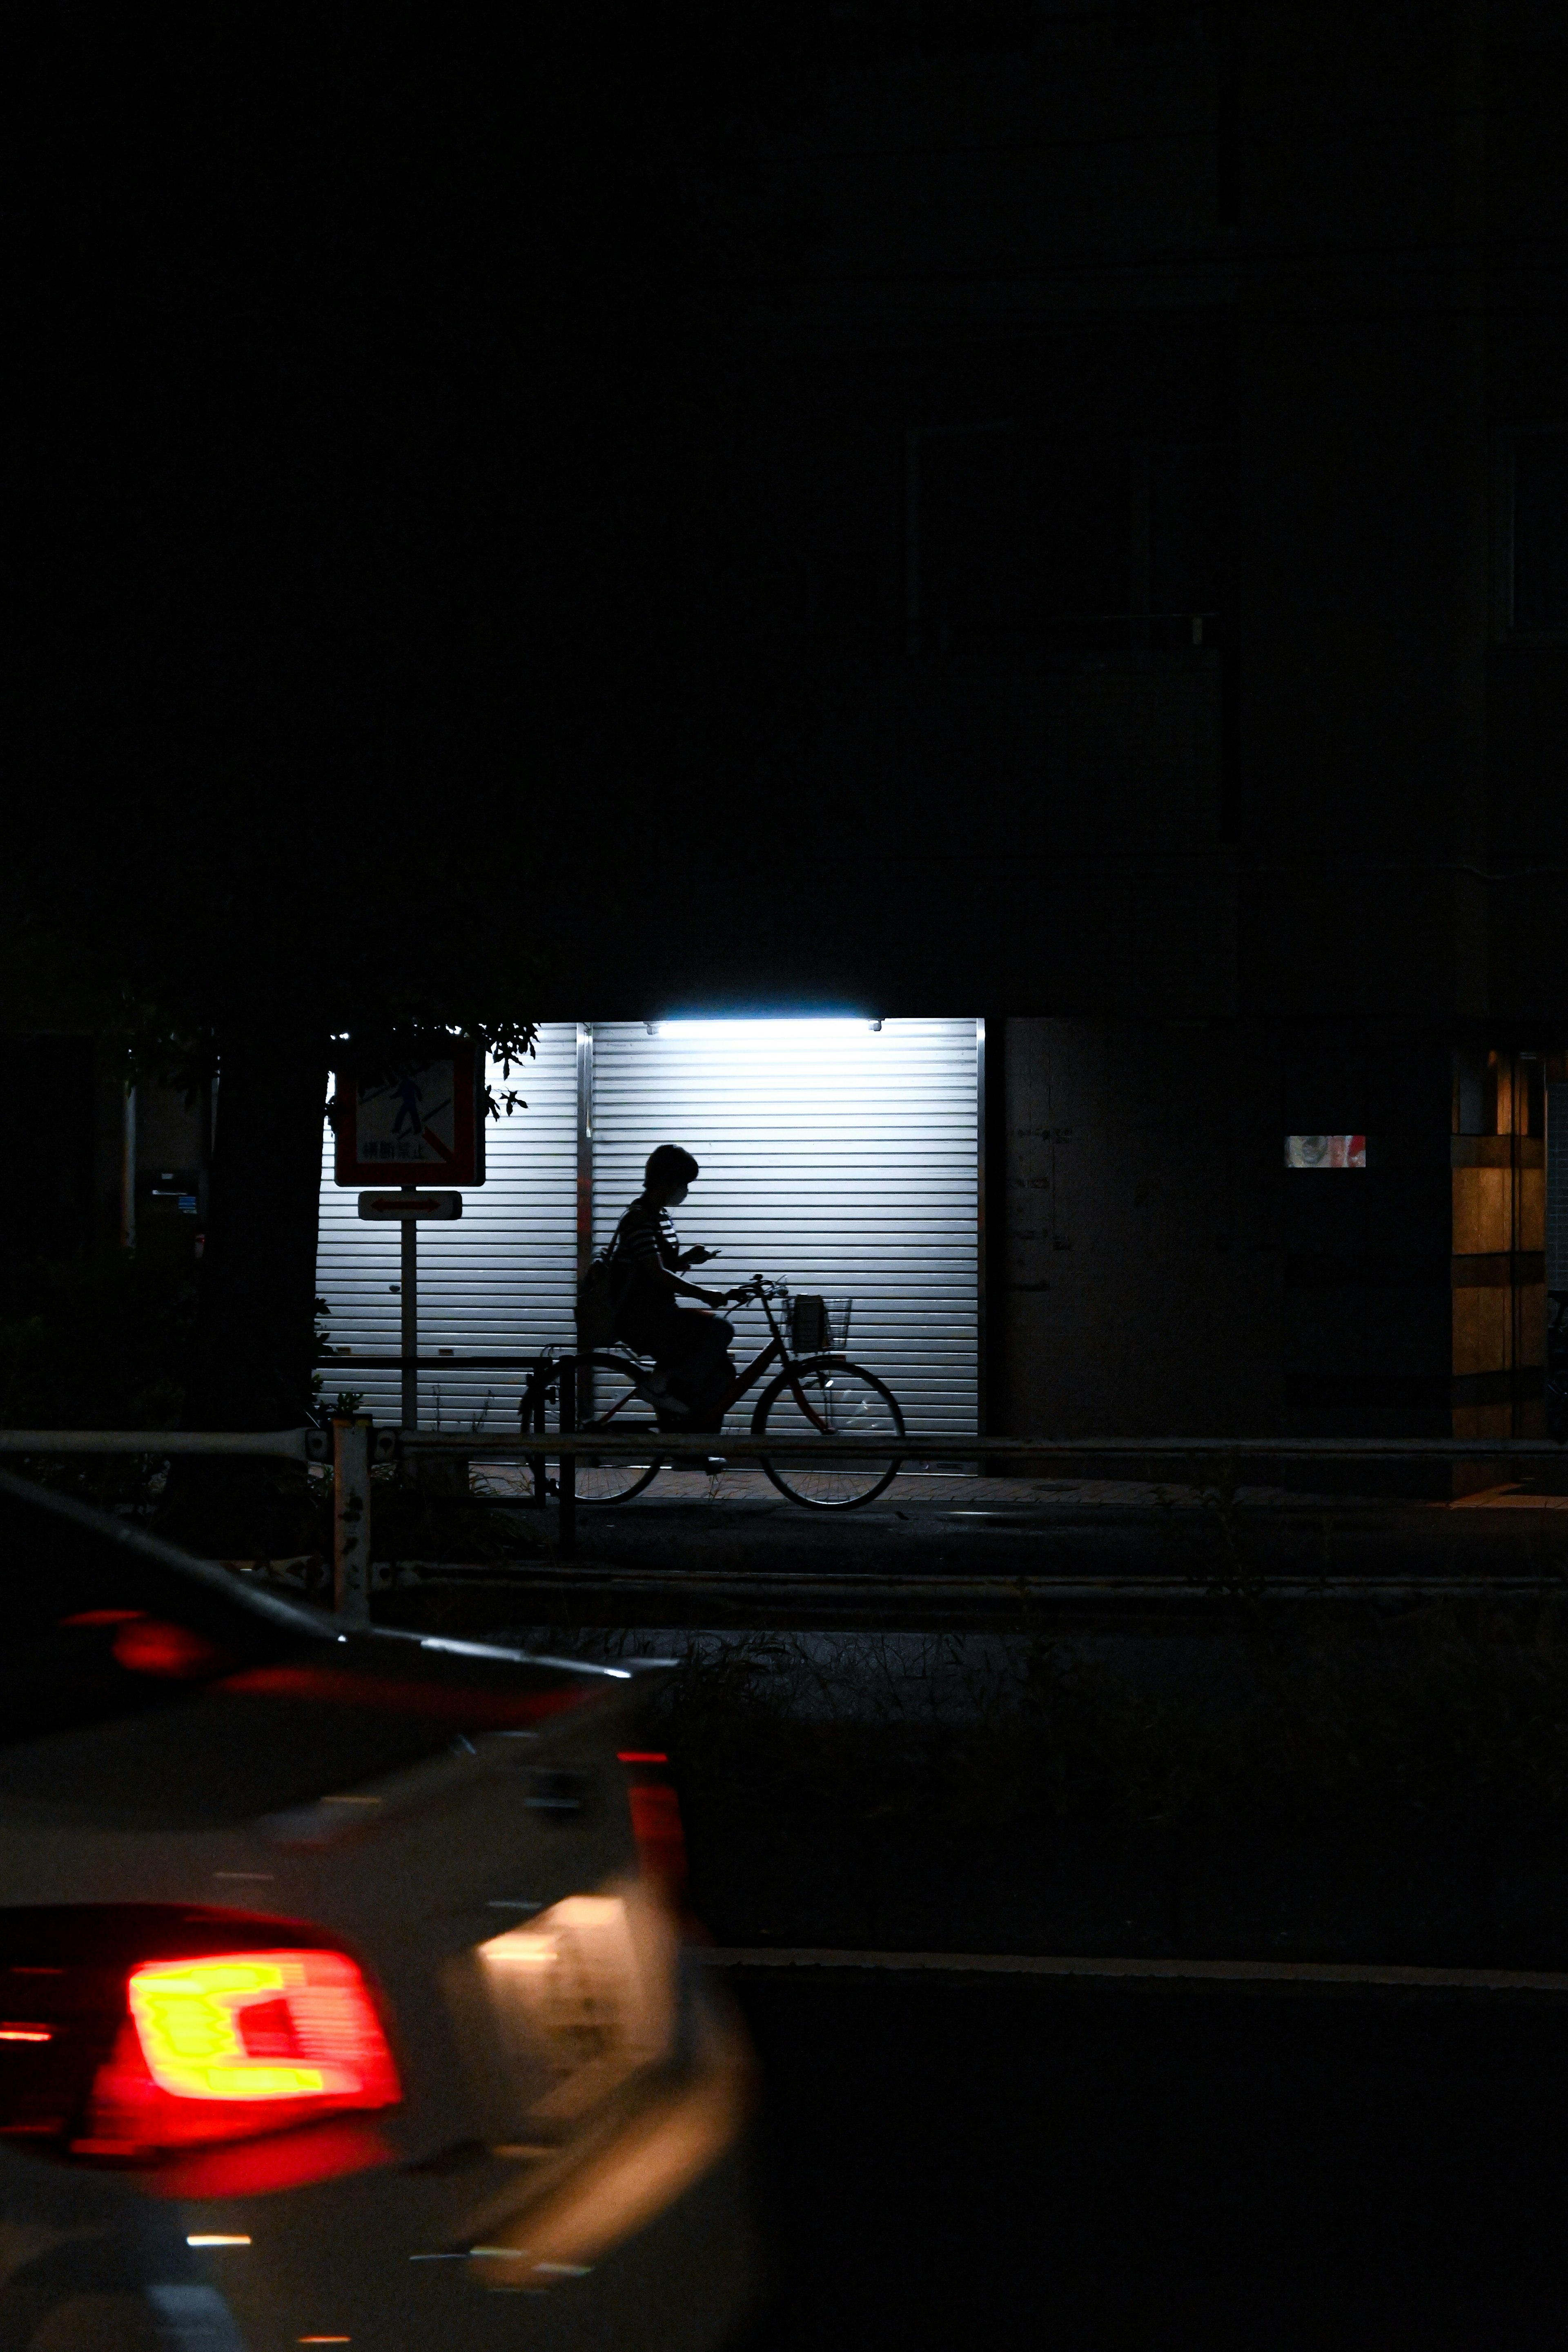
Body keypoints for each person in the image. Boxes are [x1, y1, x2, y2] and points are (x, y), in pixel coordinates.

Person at [608, 1145, 738, 1429]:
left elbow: (658, 1265)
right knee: (720, 1330)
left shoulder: (660, 1217)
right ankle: (661, 1387)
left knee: (720, 1370)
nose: (686, 1191)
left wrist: (687, 1259)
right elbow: (655, 1273)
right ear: (668, 1181)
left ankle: (690, 1441)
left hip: (658, 1313)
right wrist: (703, 1295)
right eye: (684, 1184)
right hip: (641, 1318)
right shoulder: (639, 1219)